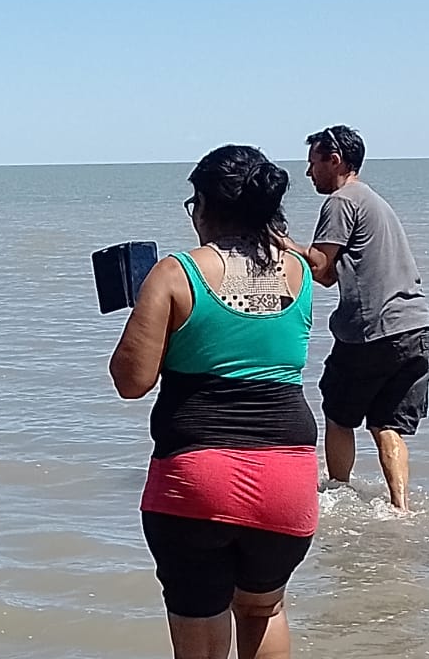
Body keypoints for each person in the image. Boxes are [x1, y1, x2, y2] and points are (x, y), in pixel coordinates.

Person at [109, 145, 318, 659]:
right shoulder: (298, 271)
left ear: (204, 205)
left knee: (200, 622)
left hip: (197, 479)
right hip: (287, 478)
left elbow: (131, 381)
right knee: (263, 609)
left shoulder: (175, 273)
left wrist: (145, 309)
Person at [281, 125, 429, 511]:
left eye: (313, 163)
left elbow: (319, 267)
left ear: (335, 161)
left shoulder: (341, 201)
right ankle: (400, 508)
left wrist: (282, 243)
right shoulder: (372, 200)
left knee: (338, 414)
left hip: (373, 330)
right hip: (416, 328)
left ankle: (337, 493)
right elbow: (332, 274)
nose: (308, 172)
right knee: (387, 425)